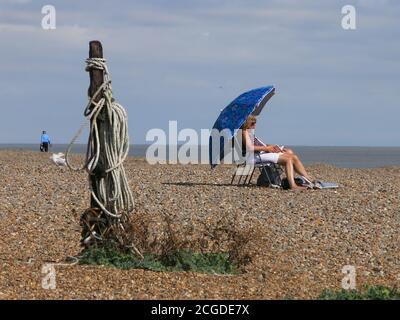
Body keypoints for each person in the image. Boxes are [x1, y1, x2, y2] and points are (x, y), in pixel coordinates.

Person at [241, 115, 313, 190]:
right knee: (288, 159)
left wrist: (271, 147)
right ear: (247, 124)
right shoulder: (244, 132)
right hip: (255, 157)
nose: (255, 126)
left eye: (255, 123)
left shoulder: (249, 133)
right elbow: (250, 148)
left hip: (260, 154)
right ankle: (293, 185)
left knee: (292, 155)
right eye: (252, 124)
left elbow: (258, 145)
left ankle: (308, 180)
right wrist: (267, 148)